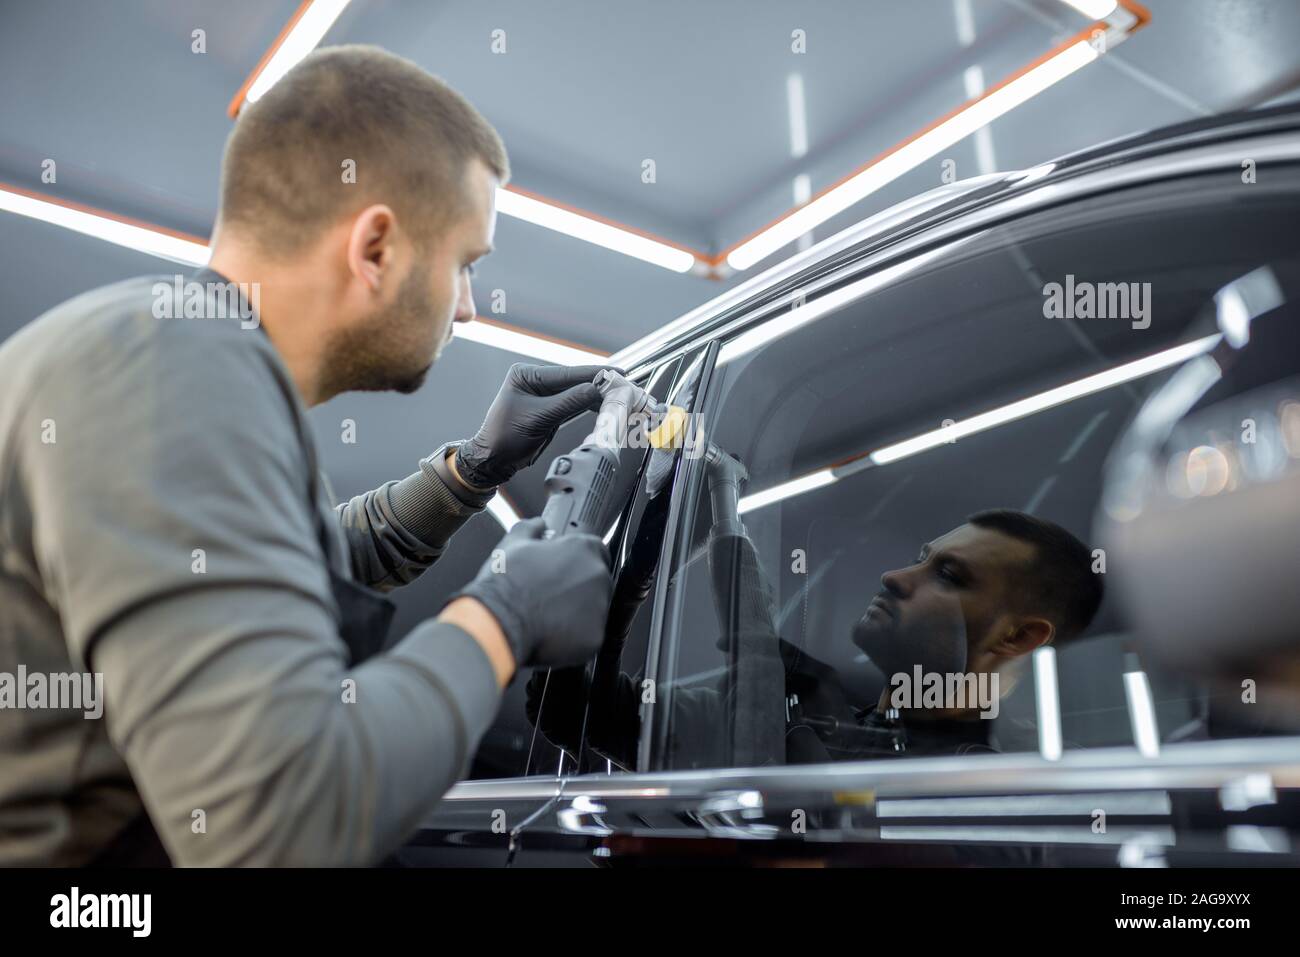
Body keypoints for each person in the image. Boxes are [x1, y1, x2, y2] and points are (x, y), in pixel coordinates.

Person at [0, 45, 614, 866]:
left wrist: (468, 472)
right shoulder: (171, 380)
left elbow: (276, 560)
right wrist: (501, 618)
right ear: (375, 248)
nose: (468, 308)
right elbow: (281, 824)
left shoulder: (165, 348)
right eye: (466, 264)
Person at [530, 508, 1103, 767]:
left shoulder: (1017, 789)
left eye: (949, 576)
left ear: (1018, 636)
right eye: (919, 558)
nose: (895, 576)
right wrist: (632, 578)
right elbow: (569, 711)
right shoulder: (792, 721)